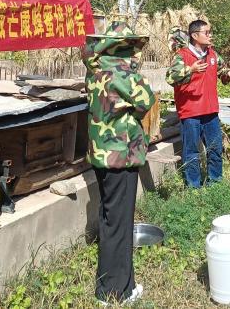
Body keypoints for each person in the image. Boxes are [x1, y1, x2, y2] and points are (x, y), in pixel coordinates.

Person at [82, 21, 156, 305]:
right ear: (124, 47)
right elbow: (146, 100)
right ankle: (115, 291)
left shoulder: (96, 70)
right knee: (120, 223)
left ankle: (115, 282)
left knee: (109, 218)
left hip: (101, 155)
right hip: (121, 156)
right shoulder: (123, 73)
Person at [166, 19, 230, 188]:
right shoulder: (182, 55)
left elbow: (222, 75)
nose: (210, 35)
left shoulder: (212, 54)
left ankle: (215, 183)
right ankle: (194, 187)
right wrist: (190, 70)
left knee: (215, 148)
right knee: (191, 151)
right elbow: (170, 78)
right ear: (195, 35)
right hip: (190, 112)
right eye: (207, 32)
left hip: (211, 111)